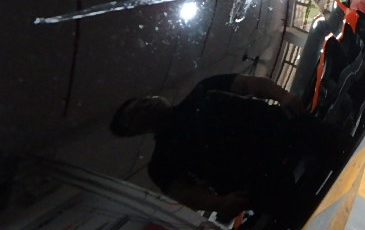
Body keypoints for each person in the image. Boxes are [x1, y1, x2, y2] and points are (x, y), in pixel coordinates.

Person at [110, 74, 337, 227]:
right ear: (134, 132)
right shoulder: (161, 162)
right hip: (256, 183)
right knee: (309, 215)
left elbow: (249, 84)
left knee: (337, 145)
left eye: (144, 100)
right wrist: (219, 204)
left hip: (286, 131)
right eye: (134, 113)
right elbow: (184, 192)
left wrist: (283, 96)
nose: (145, 104)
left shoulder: (204, 89)